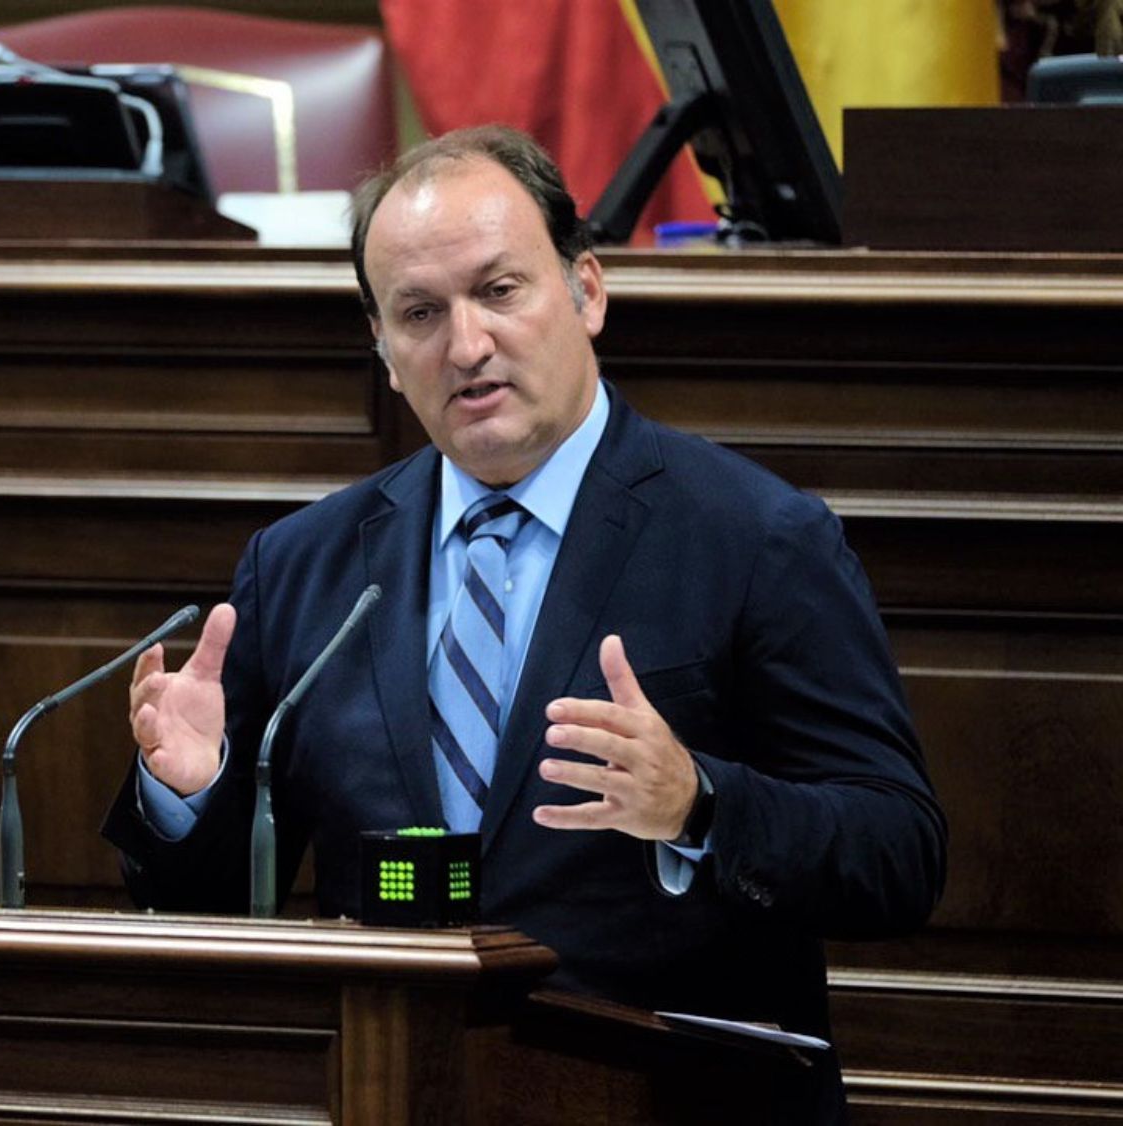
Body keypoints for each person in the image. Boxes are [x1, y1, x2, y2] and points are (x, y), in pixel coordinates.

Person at [100, 125, 945, 1113]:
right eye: (418, 312)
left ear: (585, 292)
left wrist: (699, 804)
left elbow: (898, 854)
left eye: (499, 291)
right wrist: (191, 801)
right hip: (393, 1091)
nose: (464, 345)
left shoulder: (755, 537)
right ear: (378, 345)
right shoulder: (302, 565)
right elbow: (212, 914)